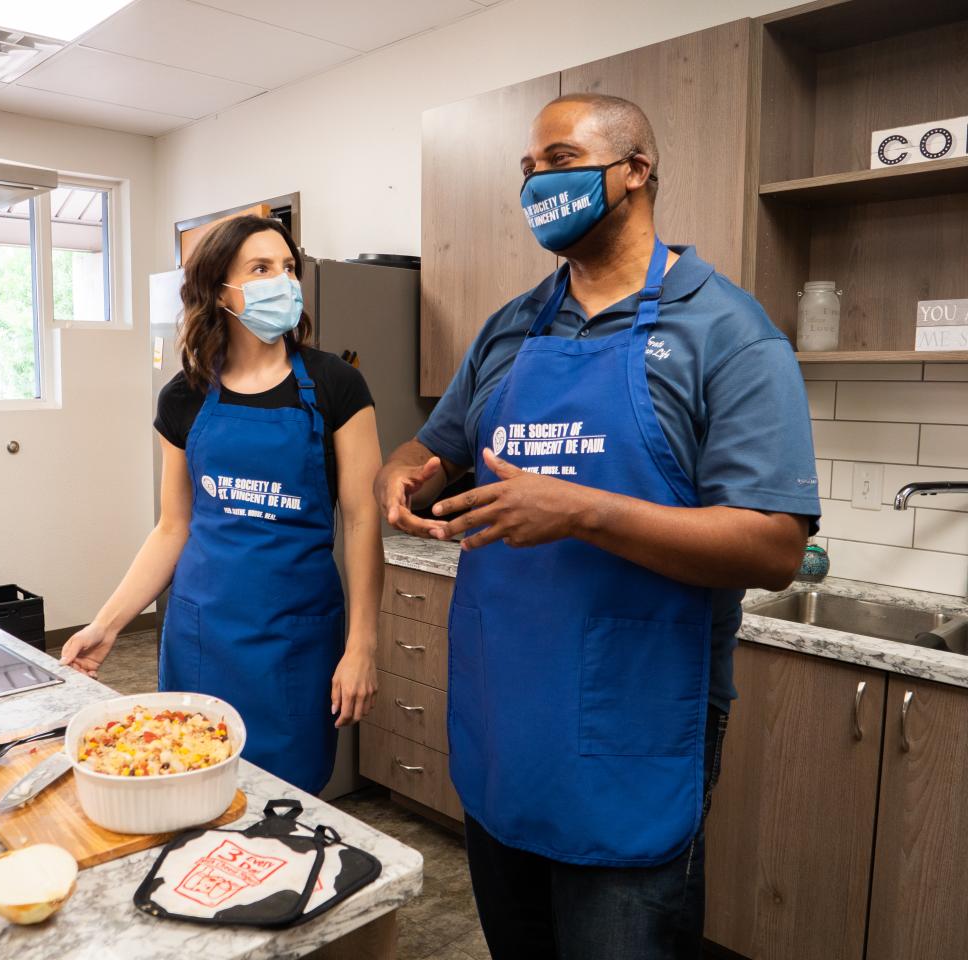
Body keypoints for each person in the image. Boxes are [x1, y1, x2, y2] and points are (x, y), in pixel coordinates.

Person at [374, 94, 821, 958]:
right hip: (507, 719)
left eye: (557, 158)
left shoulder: (727, 334)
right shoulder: (510, 328)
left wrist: (580, 509)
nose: (537, 181)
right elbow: (431, 447)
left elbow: (775, 547)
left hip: (634, 729)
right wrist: (403, 474)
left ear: (635, 172)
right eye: (528, 168)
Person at [63, 215, 381, 794]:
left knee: (288, 800)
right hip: (201, 636)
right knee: (190, 784)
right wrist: (107, 624)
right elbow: (171, 528)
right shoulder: (184, 396)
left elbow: (362, 522)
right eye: (260, 269)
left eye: (288, 269)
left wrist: (362, 644)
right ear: (218, 290)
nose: (281, 281)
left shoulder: (336, 385)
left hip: (295, 639)